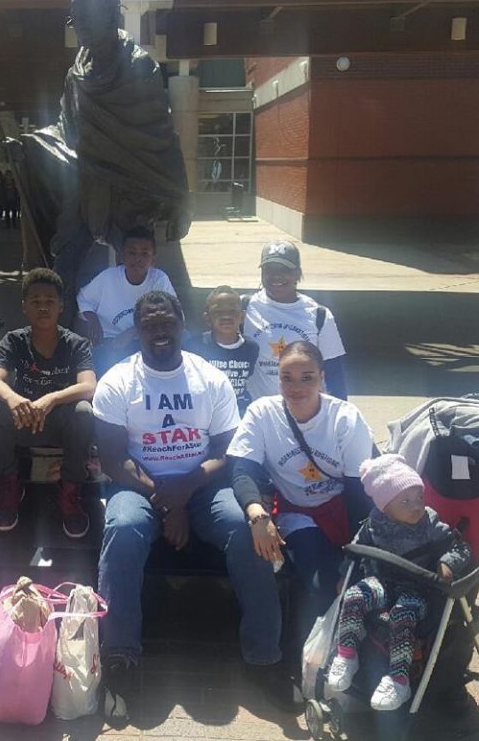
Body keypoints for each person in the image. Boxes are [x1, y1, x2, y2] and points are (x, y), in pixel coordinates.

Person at [93, 290, 281, 722]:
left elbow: (226, 450)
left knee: (243, 527)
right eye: (150, 324)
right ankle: (120, 659)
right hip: (139, 488)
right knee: (121, 529)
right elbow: (113, 459)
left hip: (202, 486)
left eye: (166, 322)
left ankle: (264, 657)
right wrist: (165, 499)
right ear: (137, 330)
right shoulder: (117, 381)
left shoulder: (209, 378)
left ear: (182, 324)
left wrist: (184, 491)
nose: (159, 331)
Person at [6, 0, 189, 324]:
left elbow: (158, 135)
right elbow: (65, 128)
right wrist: (27, 146)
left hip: (132, 184)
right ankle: (58, 333)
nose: (83, 29)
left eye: (89, 19)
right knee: (65, 259)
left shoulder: (139, 67)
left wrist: (176, 193)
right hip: (86, 182)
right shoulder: (76, 74)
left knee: (140, 266)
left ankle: (156, 331)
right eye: (77, 21)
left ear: (113, 18)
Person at [227, 341, 374, 671]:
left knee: (354, 579)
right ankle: (322, 662)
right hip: (298, 512)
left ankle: (364, 653)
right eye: (287, 378)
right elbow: (242, 468)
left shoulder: (345, 418)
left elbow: (358, 493)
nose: (296, 387)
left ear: (322, 377)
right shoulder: (263, 413)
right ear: (277, 379)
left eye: (307, 377)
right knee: (321, 582)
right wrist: (257, 514)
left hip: (344, 508)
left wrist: (356, 555)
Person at [327, 454, 470, 711]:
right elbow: (356, 549)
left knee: (402, 614)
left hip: (418, 589)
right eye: (406, 501)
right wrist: (343, 574)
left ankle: (399, 680)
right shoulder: (374, 522)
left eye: (419, 497)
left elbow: (460, 547)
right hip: (383, 582)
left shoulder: (429, 522)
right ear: (385, 506)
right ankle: (347, 654)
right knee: (354, 596)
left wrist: (447, 563)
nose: (416, 506)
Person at [0, 268, 96, 538]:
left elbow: (89, 386)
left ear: (61, 306)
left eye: (50, 301)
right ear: (24, 306)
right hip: (24, 418)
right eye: (35, 301)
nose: (43, 307)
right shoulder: (14, 340)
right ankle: (9, 484)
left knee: (83, 412)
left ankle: (70, 489)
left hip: (59, 426)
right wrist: (13, 397)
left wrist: (52, 399)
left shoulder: (76, 344)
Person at [242, 240, 347, 401]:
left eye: (284, 270)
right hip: (257, 410)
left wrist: (340, 412)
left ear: (298, 274)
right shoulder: (243, 307)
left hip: (304, 408)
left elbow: (334, 373)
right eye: (269, 269)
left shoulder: (319, 316)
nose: (276, 276)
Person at [76, 226, 176, 376]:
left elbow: (168, 314)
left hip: (146, 339)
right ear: (122, 257)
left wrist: (132, 332)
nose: (138, 258)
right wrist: (93, 320)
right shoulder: (108, 277)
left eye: (144, 253)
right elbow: (83, 298)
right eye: (132, 253)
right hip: (111, 341)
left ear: (152, 260)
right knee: (104, 369)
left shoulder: (159, 279)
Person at [187, 285, 259, 416]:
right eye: (218, 312)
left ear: (242, 316)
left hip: (239, 412)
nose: (226, 316)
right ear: (207, 317)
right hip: (206, 413)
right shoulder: (194, 346)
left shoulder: (251, 347)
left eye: (233, 311)